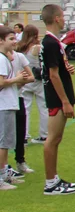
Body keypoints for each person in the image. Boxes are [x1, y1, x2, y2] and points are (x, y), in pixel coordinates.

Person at [40, 4, 75, 195]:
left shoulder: (53, 42)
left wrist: (66, 69)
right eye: (62, 16)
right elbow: (53, 75)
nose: (64, 19)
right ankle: (50, 183)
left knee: (56, 139)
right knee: (52, 139)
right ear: (56, 18)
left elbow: (56, 70)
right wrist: (65, 101)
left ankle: (54, 179)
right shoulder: (51, 43)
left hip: (57, 96)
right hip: (56, 98)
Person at [0, 25, 33, 189]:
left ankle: (5, 174)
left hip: (9, 103)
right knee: (3, 143)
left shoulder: (7, 58)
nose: (15, 42)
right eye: (11, 39)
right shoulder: (1, 59)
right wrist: (18, 78)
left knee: (6, 143)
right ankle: (1, 178)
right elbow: (1, 83)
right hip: (4, 105)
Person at [16, 25, 48, 146]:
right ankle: (44, 135)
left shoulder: (19, 46)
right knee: (43, 107)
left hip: (24, 78)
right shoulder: (36, 47)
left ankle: (24, 136)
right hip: (37, 79)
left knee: (25, 108)